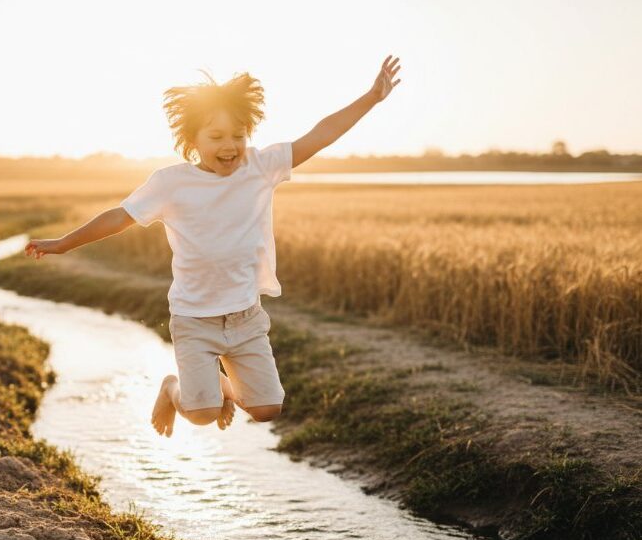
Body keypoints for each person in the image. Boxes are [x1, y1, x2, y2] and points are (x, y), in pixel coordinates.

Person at [25, 56, 402, 437]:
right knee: (202, 414)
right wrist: (64, 243)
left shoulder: (261, 167)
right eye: (216, 137)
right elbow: (120, 216)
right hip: (193, 319)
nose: (230, 146)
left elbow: (319, 136)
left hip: (245, 318)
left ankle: (221, 386)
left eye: (238, 135)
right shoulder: (171, 183)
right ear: (193, 141)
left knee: (268, 409)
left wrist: (371, 97)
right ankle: (172, 389)